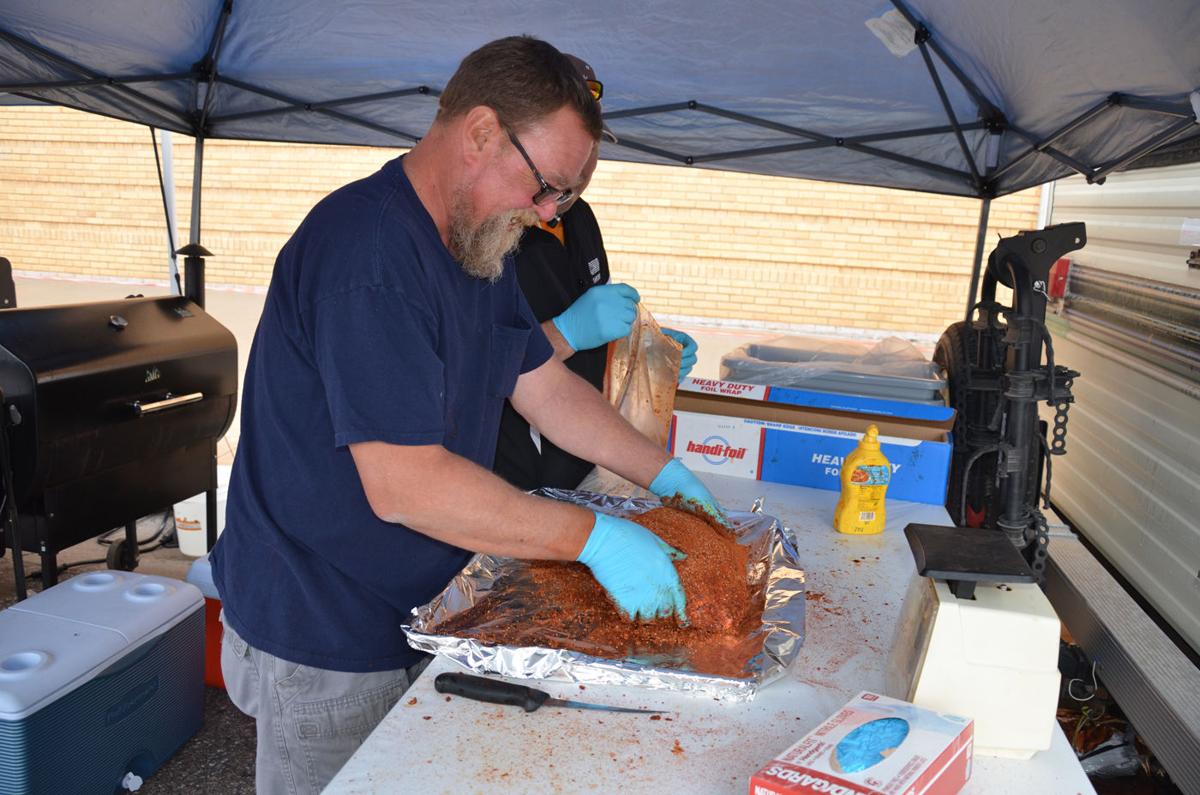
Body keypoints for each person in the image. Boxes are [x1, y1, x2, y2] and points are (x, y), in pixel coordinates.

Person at [209, 36, 727, 794]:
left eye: (567, 199)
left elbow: (541, 385)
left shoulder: (475, 246)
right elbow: (406, 485)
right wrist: (596, 538)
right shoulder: (370, 257)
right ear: (481, 133)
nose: (548, 212)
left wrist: (666, 473)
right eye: (545, 185)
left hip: (419, 604)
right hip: (324, 629)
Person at [494, 54, 698, 492]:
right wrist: (564, 334)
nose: (581, 170)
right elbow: (472, 366)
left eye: (592, 149)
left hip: (578, 463)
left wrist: (644, 352)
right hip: (505, 478)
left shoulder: (581, 219)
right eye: (570, 150)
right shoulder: (488, 229)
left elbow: (592, 329)